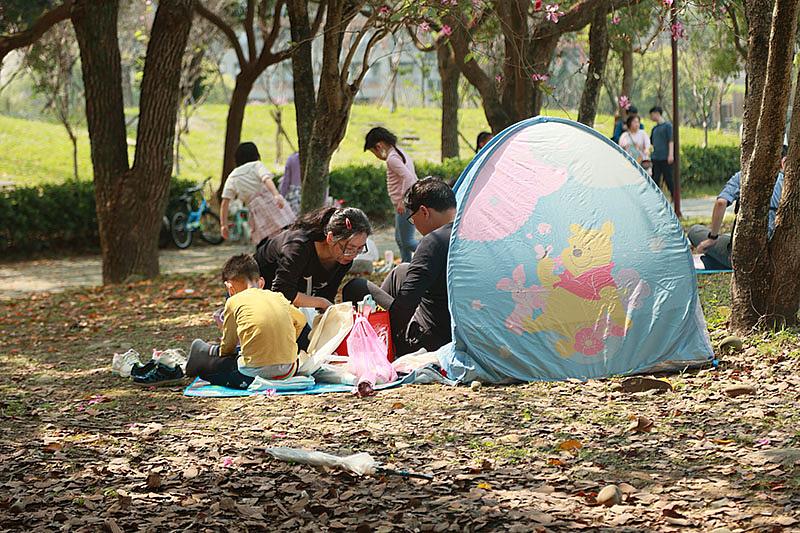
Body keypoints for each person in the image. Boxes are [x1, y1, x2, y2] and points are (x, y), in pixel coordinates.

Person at [342, 178, 455, 356]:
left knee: (356, 286)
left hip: (430, 340)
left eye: (412, 218)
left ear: (424, 212)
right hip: (462, 333)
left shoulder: (433, 242)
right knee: (400, 271)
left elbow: (404, 308)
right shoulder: (470, 234)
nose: (414, 225)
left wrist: (388, 323)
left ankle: (377, 343)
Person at [185, 254, 309, 389]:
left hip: (251, 374)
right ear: (261, 282)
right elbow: (301, 321)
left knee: (211, 366)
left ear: (230, 287)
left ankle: (202, 353)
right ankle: (207, 350)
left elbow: (228, 346)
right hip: (288, 371)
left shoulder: (234, 301)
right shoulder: (278, 297)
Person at [254, 206, 371, 311]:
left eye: (360, 249)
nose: (353, 254)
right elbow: (282, 292)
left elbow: (327, 295)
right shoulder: (298, 247)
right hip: (262, 302)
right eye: (349, 248)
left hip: (290, 307)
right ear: (330, 238)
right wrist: (321, 303)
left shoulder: (343, 259)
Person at [688, 148, 786, 269]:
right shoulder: (791, 184)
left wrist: (712, 238)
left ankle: (717, 258)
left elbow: (721, 202)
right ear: (784, 162)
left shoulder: (743, 176)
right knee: (725, 241)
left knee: (695, 231)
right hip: (778, 255)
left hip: (744, 255)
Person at [220, 142, 296, 247]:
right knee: (287, 232)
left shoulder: (232, 176)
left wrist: (223, 225)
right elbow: (266, 179)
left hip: (256, 212)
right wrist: (276, 194)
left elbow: (225, 202)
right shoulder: (256, 165)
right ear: (256, 154)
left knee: (265, 242)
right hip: (272, 204)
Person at [364, 127, 418, 262]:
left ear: (379, 146)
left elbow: (409, 178)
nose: (375, 156)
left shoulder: (392, 159)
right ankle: (407, 266)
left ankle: (438, 250)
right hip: (405, 203)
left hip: (406, 205)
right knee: (400, 239)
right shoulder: (398, 153)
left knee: (408, 241)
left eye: (373, 152)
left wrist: (401, 201)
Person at [649, 106, 674, 196]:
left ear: (657, 113)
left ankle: (674, 197)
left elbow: (671, 141)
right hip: (656, 157)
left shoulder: (667, 126)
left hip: (665, 157)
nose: (651, 117)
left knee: (669, 179)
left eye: (652, 115)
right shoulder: (654, 129)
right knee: (655, 179)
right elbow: (651, 142)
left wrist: (670, 155)